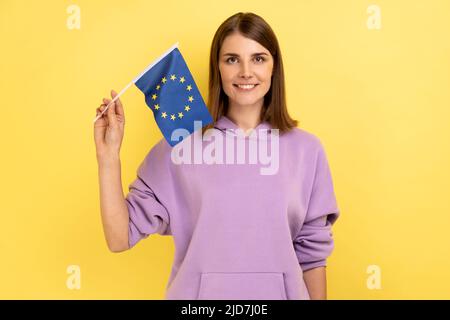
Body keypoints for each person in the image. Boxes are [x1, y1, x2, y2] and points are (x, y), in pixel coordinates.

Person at [94, 12, 340, 300]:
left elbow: (312, 257)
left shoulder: (307, 151)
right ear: (218, 68)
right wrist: (108, 158)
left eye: (258, 58)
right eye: (232, 59)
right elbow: (119, 237)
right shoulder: (181, 145)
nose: (246, 72)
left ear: (274, 67)